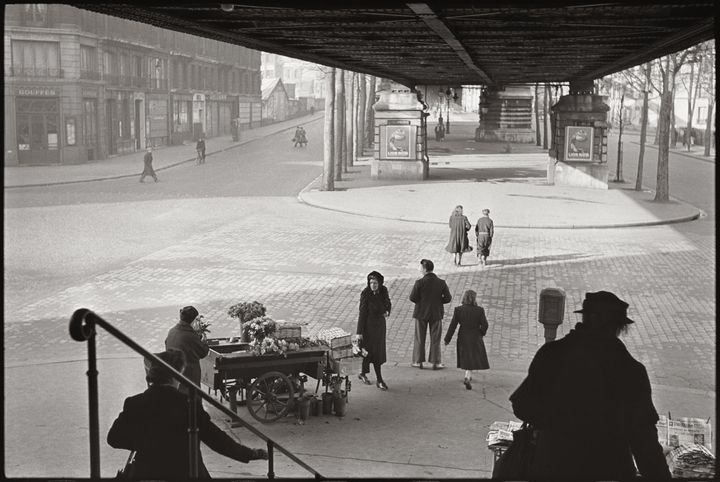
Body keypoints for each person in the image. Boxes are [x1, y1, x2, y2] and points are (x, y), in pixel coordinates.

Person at [509, 291, 671, 480]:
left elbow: (521, 405)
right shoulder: (630, 370)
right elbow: (644, 441)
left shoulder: (551, 354)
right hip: (608, 469)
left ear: (585, 319)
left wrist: (556, 424)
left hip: (551, 465)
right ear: (618, 327)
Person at [107, 349, 268, 479]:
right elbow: (216, 440)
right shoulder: (189, 404)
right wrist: (252, 454)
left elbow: (114, 438)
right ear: (175, 375)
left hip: (147, 472)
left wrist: (147, 443)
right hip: (186, 472)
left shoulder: (134, 403)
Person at [409, 259, 452, 370]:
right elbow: (448, 298)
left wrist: (422, 301)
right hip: (436, 313)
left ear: (424, 269)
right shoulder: (441, 282)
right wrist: (438, 301)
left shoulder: (419, 282)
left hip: (421, 313)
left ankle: (418, 361)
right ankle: (436, 362)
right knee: (435, 339)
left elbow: (412, 297)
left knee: (419, 338)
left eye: (420, 267)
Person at [443, 289, 489, 390]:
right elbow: (485, 325)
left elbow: (453, 326)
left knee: (467, 356)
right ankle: (467, 376)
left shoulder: (458, 310)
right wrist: (481, 333)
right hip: (475, 336)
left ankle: (467, 376)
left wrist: (447, 339)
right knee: (472, 356)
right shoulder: (479, 310)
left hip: (463, 336)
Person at [356, 271, 391, 391]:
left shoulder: (383, 291)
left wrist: (387, 311)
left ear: (380, 283)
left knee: (377, 353)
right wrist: (359, 332)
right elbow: (362, 313)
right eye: (371, 283)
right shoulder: (366, 294)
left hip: (379, 327)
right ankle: (372, 376)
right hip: (368, 328)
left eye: (375, 283)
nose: (373, 285)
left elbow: (388, 303)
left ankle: (375, 377)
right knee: (367, 352)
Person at [165, 306, 209, 394]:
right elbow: (202, 352)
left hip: (174, 372)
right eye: (196, 320)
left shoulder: (172, 331)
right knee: (192, 400)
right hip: (189, 374)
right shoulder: (190, 335)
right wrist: (204, 342)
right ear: (192, 321)